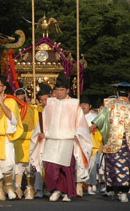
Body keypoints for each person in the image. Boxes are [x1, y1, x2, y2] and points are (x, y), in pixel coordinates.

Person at [30, 72, 92, 202]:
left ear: (67, 90)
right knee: (49, 168)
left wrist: (78, 134)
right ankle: (56, 189)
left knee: (66, 168)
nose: (59, 92)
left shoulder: (74, 104)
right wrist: (41, 133)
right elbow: (44, 121)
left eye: (62, 90)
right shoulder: (51, 104)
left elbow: (81, 123)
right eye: (57, 90)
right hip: (51, 138)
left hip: (67, 139)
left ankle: (66, 192)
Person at [0, 75, 24, 201]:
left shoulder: (11, 101)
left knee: (7, 166)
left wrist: (2, 104)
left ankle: (9, 188)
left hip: (5, 138)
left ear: (4, 87)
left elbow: (13, 120)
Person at [91, 82, 130, 202]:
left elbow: (100, 118)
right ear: (128, 94)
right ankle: (123, 192)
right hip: (126, 140)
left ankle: (116, 190)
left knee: (112, 165)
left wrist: (91, 128)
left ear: (117, 93)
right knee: (125, 166)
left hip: (112, 139)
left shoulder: (110, 104)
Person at [12, 88, 38, 200]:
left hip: (30, 140)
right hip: (17, 140)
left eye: (22, 96)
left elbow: (37, 125)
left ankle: (29, 188)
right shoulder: (12, 110)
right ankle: (17, 188)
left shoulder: (33, 109)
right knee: (18, 166)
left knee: (29, 167)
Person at [78, 95, 102, 197]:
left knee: (92, 166)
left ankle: (92, 185)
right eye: (81, 104)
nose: (83, 106)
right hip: (80, 144)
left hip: (92, 144)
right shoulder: (77, 117)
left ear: (90, 106)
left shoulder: (94, 118)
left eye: (85, 104)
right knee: (81, 165)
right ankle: (83, 185)